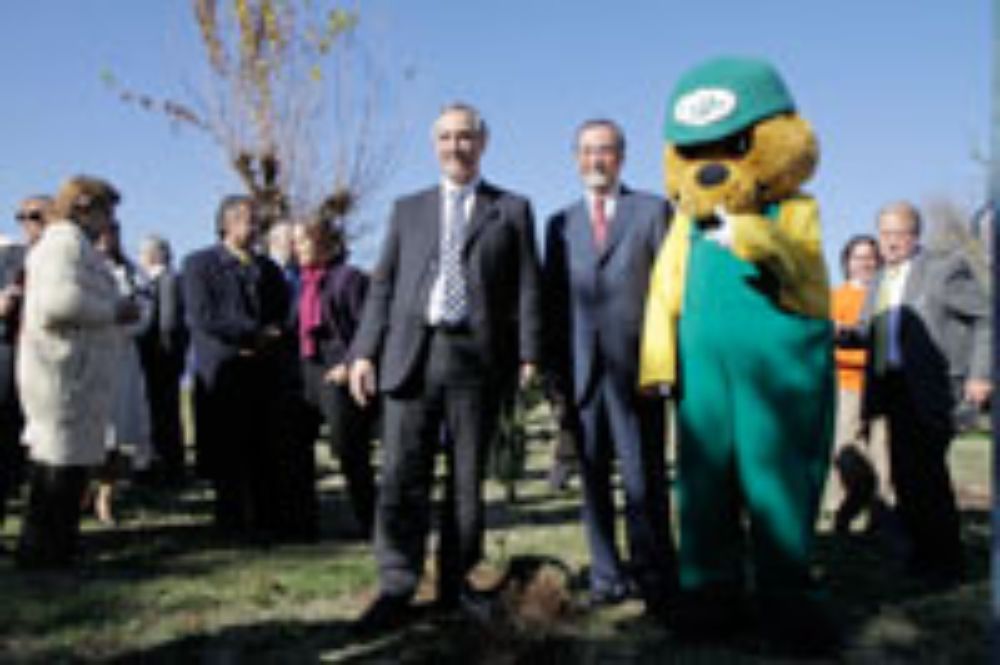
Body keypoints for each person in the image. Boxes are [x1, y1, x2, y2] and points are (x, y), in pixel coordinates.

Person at [349, 102, 542, 630]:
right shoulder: (407, 209)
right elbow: (382, 286)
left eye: (465, 137)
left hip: (477, 362)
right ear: (435, 144)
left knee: (465, 482)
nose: (455, 146)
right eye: (446, 138)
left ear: (483, 143)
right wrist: (364, 352)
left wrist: (529, 354)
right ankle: (396, 585)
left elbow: (529, 285)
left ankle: (456, 583)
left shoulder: (513, 209)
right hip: (411, 357)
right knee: (400, 476)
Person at [542, 119, 676, 614]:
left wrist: (665, 366)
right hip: (583, 374)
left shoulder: (654, 211)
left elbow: (670, 292)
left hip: (638, 371)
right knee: (593, 479)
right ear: (576, 159)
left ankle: (655, 573)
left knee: (644, 480)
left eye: (605, 151)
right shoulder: (560, 223)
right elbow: (553, 302)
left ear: (621, 156)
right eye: (587, 151)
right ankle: (606, 576)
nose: (596, 160)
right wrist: (556, 376)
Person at [857, 201, 991, 585]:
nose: (892, 242)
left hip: (933, 389)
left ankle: (947, 565)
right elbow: (872, 333)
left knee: (928, 478)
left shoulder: (943, 269)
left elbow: (986, 318)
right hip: (891, 389)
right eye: (885, 233)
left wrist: (980, 375)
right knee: (905, 477)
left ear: (915, 234)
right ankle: (921, 558)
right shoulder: (880, 279)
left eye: (899, 233)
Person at [16, 175, 140, 568]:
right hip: (62, 375)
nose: (110, 221)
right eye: (106, 210)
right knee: (55, 466)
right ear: (85, 205)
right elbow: (57, 302)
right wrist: (112, 311)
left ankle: (60, 544)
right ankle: (44, 551)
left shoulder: (77, 245)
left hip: (77, 373)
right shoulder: (63, 243)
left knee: (70, 466)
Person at [182, 195, 294, 541]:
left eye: (257, 218)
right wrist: (248, 335)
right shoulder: (200, 265)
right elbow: (204, 315)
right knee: (227, 453)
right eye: (246, 218)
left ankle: (268, 520)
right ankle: (230, 523)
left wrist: (271, 336)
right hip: (223, 370)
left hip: (264, 370)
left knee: (265, 448)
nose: (254, 224)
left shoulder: (270, 269)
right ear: (226, 224)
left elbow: (282, 312)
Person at [293, 219, 376, 537]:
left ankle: (368, 520)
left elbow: (365, 325)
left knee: (349, 449)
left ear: (325, 244)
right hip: (307, 370)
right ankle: (304, 522)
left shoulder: (348, 279)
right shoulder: (303, 281)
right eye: (296, 242)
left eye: (304, 241)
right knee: (299, 448)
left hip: (338, 370)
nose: (297, 248)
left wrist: (351, 362)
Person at [91, 219, 155, 524]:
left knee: (117, 435)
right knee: (90, 433)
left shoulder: (132, 272)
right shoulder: (84, 267)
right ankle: (82, 492)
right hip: (91, 357)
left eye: (113, 232)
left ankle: (106, 496)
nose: (108, 238)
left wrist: (126, 321)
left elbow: (144, 311)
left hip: (123, 358)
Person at [827, 234, 892, 533]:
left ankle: (881, 517)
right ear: (847, 262)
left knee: (883, 450)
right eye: (858, 257)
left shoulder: (887, 296)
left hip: (883, 385)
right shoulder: (835, 297)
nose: (865, 263)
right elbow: (830, 342)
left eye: (870, 257)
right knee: (846, 449)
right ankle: (844, 511)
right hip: (847, 385)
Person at [0, 196, 50, 539]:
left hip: (49, 363)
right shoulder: (10, 257)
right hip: (9, 358)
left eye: (37, 216)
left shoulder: (66, 258)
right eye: (23, 217)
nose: (29, 223)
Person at [137, 234, 189, 485]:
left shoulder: (167, 280)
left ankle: (169, 466)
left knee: (164, 414)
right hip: (164, 359)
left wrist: (166, 355)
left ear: (152, 255)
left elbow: (167, 322)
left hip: (161, 359)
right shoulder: (165, 280)